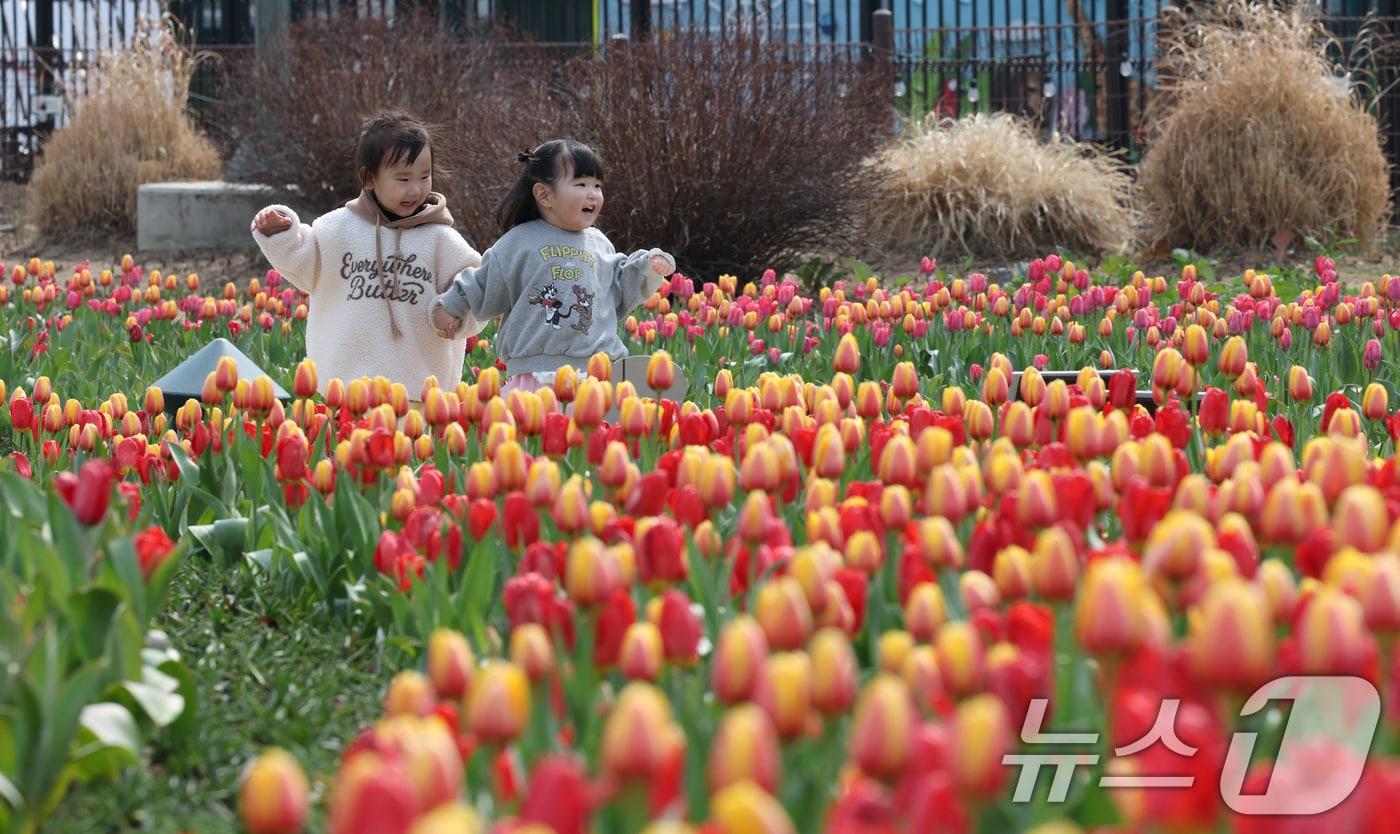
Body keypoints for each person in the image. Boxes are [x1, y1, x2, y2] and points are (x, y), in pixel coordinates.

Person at [251, 111, 482, 398]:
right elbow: (303, 258)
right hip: (345, 391)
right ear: (369, 178)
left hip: (417, 395)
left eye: (425, 176)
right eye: (403, 178)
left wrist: (455, 313)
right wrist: (279, 233)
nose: (415, 188)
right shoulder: (338, 228)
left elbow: (476, 286)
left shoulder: (441, 240)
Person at [429, 139, 674, 397]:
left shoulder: (599, 243)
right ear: (544, 195)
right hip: (534, 375)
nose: (593, 194)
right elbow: (483, 281)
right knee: (532, 435)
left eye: (597, 186)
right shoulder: (519, 241)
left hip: (595, 374)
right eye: (581, 184)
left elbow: (619, 289)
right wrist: (453, 305)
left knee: (592, 436)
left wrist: (647, 267)